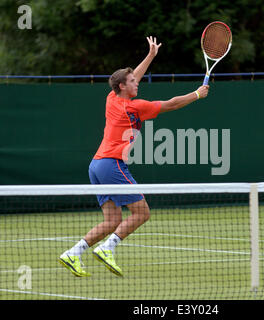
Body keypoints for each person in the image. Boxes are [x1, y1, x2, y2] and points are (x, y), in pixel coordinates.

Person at [59, 36, 209, 277]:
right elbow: (170, 104)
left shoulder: (112, 98)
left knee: (112, 221)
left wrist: (150, 55)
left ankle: (72, 254)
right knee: (142, 213)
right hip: (111, 165)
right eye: (131, 81)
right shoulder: (135, 106)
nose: (137, 83)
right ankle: (108, 248)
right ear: (122, 87)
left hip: (95, 166)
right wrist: (197, 94)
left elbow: (134, 77)